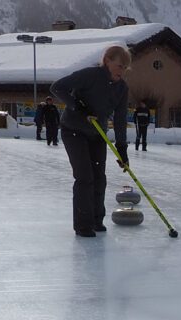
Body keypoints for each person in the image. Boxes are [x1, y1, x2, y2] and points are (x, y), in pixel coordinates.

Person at [50, 45, 131, 238]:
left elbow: (120, 119)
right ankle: (83, 224)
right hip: (74, 130)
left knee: (99, 178)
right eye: (119, 66)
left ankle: (96, 220)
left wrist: (122, 148)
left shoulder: (122, 88)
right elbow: (57, 87)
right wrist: (79, 107)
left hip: (97, 134)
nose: (122, 71)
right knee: (85, 176)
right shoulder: (90, 75)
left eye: (125, 68)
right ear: (107, 61)